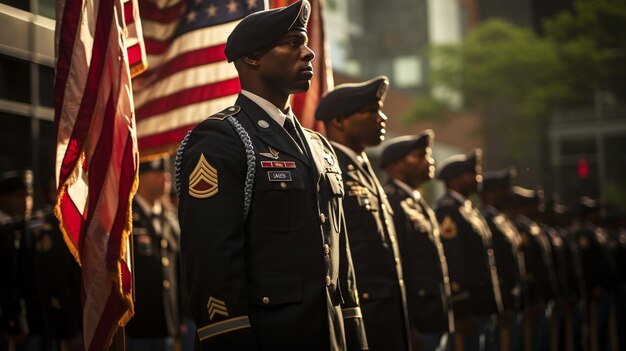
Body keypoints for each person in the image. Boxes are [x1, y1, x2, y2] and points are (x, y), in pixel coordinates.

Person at [175, 1, 367, 349]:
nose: (308, 53)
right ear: (252, 58)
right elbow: (212, 264)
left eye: (305, 42)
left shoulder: (320, 146)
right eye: (293, 43)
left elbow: (342, 273)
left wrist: (354, 337)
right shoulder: (221, 139)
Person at [315, 76, 411, 351]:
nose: (381, 118)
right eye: (370, 111)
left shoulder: (364, 169)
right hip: (360, 314)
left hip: (388, 313)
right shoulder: (328, 168)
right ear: (339, 121)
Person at [379, 131, 454, 351]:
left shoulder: (417, 203)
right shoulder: (392, 202)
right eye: (419, 156)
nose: (428, 161)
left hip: (434, 317)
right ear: (395, 165)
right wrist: (408, 325)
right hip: (417, 321)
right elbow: (391, 270)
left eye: (428, 155)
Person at [434, 149, 503, 351]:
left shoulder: (467, 209)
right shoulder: (448, 211)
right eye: (472, 173)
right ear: (454, 180)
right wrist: (461, 308)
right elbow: (453, 261)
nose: (478, 178)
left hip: (481, 304)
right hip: (468, 307)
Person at [126, 156, 183, 351]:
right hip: (137, 328)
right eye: (158, 172)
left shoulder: (169, 218)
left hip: (167, 324)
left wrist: (180, 318)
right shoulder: (127, 219)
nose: (166, 177)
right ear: (140, 177)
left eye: (166, 172)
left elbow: (178, 272)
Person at [480, 168, 525, 351]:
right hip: (500, 305)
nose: (509, 194)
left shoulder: (501, 220)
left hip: (511, 302)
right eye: (504, 189)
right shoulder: (487, 221)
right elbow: (494, 267)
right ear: (491, 194)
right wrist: (502, 304)